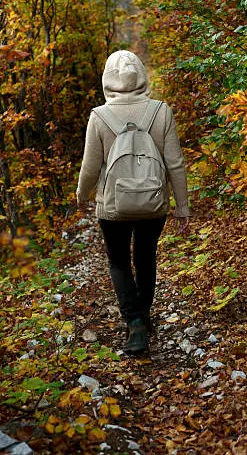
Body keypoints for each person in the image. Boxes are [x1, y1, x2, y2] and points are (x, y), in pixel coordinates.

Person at [77, 50, 190, 353]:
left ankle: (135, 322)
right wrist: (182, 206)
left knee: (118, 261)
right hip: (153, 202)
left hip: (113, 206)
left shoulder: (99, 116)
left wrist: (81, 195)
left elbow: (90, 166)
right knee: (145, 256)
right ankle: (144, 312)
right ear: (141, 75)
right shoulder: (160, 110)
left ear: (107, 79)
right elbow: (175, 163)